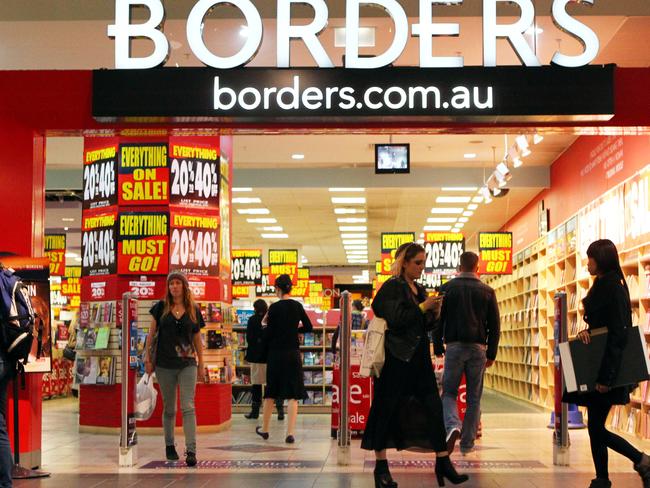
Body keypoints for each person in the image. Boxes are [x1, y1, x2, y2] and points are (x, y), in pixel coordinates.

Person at [361, 242, 468, 488]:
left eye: (423, 262)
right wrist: (423, 307)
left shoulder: (418, 289)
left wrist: (435, 312)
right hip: (396, 359)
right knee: (385, 410)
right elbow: (397, 320)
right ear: (404, 262)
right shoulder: (392, 287)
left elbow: (422, 325)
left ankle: (443, 462)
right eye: (417, 262)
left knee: (433, 408)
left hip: (418, 359)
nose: (421, 267)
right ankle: (381, 469)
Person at [563, 239, 649, 488]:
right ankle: (602, 477)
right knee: (595, 426)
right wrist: (585, 332)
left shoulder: (613, 288)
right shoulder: (603, 284)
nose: (587, 262)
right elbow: (601, 328)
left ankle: (641, 460)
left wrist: (606, 378)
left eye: (590, 258)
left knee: (597, 428)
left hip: (607, 369)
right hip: (597, 364)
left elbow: (617, 335)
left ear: (600, 259)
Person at [433, 251, 500, 456]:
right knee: (474, 397)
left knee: (449, 392)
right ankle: (467, 444)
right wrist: (492, 353)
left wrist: (437, 345)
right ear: (477, 267)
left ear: (459, 267)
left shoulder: (446, 289)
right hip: (478, 349)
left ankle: (453, 424)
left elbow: (438, 320)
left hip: (453, 347)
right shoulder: (487, 291)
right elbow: (494, 325)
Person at [145, 271, 204, 467]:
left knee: (189, 407)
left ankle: (191, 450)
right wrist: (147, 358)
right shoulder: (160, 308)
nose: (174, 287)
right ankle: (169, 445)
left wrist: (201, 363)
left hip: (188, 364)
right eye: (171, 284)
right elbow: (151, 334)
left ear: (184, 287)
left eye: (178, 283)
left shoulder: (193, 309)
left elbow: (197, 339)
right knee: (169, 408)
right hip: (164, 364)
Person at [255, 274, 313, 444]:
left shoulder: (273, 308)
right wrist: (295, 332)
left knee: (271, 392)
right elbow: (309, 327)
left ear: (277, 289)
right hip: (292, 353)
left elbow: (268, 331)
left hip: (276, 354)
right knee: (293, 394)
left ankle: (265, 430)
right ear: (291, 288)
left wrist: (265, 331)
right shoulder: (297, 306)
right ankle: (290, 433)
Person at [244, 298, 284, 420]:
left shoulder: (252, 320)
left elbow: (249, 338)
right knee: (274, 384)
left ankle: (255, 412)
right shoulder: (271, 319)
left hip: (256, 357)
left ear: (255, 309)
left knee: (256, 384)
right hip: (271, 356)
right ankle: (280, 411)